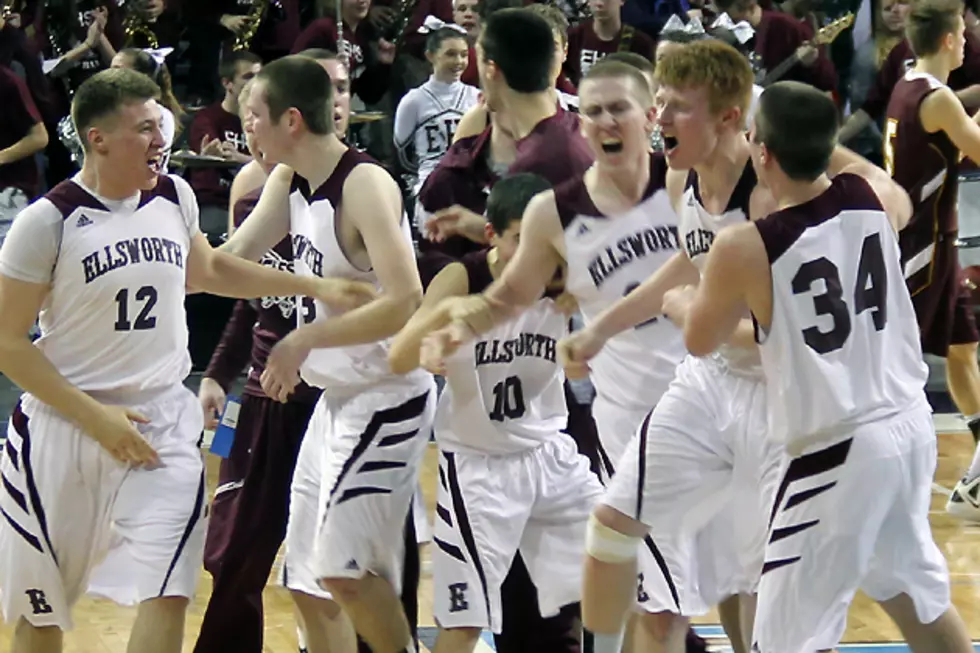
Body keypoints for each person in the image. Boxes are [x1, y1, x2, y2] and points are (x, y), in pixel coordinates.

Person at [0, 67, 376, 653]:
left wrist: (317, 286)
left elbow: (209, 270)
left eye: (161, 125)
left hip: (161, 422)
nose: (160, 139)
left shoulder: (174, 194)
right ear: (98, 138)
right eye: (144, 129)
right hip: (66, 426)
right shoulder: (46, 221)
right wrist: (95, 418)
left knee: (171, 586)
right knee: (42, 614)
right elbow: (7, 344)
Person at [680, 80, 972, 653]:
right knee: (917, 599)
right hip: (908, 430)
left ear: (761, 152)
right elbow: (886, 192)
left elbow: (700, 340)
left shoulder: (747, 245)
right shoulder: (870, 197)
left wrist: (677, 303)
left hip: (834, 451)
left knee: (785, 641)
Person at [418, 59, 694, 653]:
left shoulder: (687, 186)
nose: (604, 121)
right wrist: (445, 330)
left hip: (702, 417)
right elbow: (508, 290)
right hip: (619, 435)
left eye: (618, 107)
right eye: (592, 110)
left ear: (651, 116)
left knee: (698, 598)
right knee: (648, 603)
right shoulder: (555, 219)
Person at [221, 55, 436, 653]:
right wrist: (175, 238)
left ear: (291, 120)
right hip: (336, 400)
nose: (248, 131)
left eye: (255, 117)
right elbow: (233, 264)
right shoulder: (286, 182)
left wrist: (303, 338)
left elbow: (405, 300)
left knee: (343, 571)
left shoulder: (364, 183)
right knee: (309, 586)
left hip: (387, 398)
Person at [390, 172, 605, 653]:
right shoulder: (462, 278)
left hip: (549, 455)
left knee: (622, 571)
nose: (538, 255)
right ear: (493, 236)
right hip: (479, 467)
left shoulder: (566, 276)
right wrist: (434, 339)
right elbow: (401, 354)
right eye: (520, 241)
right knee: (464, 624)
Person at [883, 0, 980, 518]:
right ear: (947, 39)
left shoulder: (908, 82)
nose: (966, 42)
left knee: (964, 350)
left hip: (934, 239)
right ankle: (887, 472)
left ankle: (979, 475)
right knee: (899, 364)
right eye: (963, 34)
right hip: (924, 244)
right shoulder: (938, 98)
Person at [393, 19, 480, 224]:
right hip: (430, 187)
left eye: (464, 54)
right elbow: (403, 156)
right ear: (431, 56)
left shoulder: (476, 97)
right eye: (450, 54)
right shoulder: (413, 101)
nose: (458, 61)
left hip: (469, 187)